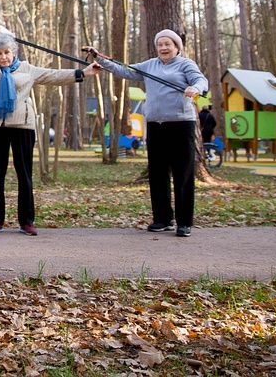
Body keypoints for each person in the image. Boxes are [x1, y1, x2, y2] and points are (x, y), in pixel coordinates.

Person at [0, 25, 100, 236]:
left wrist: (84, 72)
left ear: (14, 51)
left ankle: (26, 221)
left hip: (22, 127)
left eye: (6, 52)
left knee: (24, 175)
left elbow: (54, 76)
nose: (3, 57)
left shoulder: (27, 69)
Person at [86, 30, 207, 238]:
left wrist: (194, 89)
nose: (163, 48)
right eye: (160, 44)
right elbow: (123, 70)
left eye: (168, 44)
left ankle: (184, 222)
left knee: (182, 173)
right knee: (158, 173)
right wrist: (99, 58)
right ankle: (163, 219)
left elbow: (201, 80)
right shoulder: (150, 65)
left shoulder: (186, 64)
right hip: (155, 125)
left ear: (176, 46)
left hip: (181, 124)